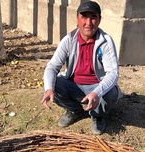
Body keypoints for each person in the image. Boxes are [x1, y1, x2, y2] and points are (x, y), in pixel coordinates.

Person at [41, 1, 122, 135]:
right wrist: (49, 88)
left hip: (96, 87)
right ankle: (74, 110)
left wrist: (97, 92)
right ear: (77, 19)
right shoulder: (69, 40)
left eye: (93, 17)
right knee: (52, 83)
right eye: (84, 17)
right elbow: (52, 67)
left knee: (111, 92)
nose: (88, 23)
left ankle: (97, 116)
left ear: (99, 20)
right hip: (74, 86)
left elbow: (113, 73)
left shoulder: (105, 41)